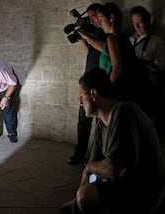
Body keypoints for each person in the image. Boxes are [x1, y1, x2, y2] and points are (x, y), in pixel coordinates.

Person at [61, 68, 165, 214]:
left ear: (93, 94)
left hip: (144, 191)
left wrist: (89, 171)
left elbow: (114, 169)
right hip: (126, 185)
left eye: (81, 97)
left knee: (87, 197)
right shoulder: (100, 125)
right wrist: (76, 197)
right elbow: (90, 170)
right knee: (83, 195)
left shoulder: (124, 112)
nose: (80, 103)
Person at [97, 2, 154, 119]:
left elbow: (117, 68)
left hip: (118, 91)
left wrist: (106, 90)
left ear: (111, 18)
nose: (100, 23)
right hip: (127, 90)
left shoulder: (112, 38)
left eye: (101, 19)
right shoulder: (123, 37)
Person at [67, 3, 106, 165]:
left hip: (102, 83)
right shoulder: (93, 33)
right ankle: (79, 153)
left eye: (94, 16)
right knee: (83, 120)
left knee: (100, 123)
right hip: (88, 82)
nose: (91, 20)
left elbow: (103, 49)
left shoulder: (106, 33)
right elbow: (91, 51)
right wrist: (80, 38)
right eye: (89, 17)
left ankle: (99, 156)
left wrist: (86, 35)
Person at [129, 5, 165, 145]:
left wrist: (144, 64)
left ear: (148, 21)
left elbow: (160, 69)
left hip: (150, 90)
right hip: (133, 89)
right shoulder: (130, 40)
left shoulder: (157, 42)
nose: (138, 26)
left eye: (141, 21)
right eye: (134, 22)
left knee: (150, 126)